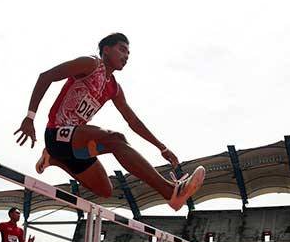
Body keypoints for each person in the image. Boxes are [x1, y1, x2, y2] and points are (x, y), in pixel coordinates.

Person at [14, 32, 204, 211]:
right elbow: (46, 76)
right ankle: (170, 191)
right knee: (116, 139)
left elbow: (133, 121)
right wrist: (30, 117)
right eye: (122, 49)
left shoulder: (114, 88)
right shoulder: (90, 64)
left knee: (105, 190)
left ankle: (53, 159)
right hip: (56, 133)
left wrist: (162, 148)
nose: (126, 56)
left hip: (73, 146)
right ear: (106, 49)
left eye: (128, 53)